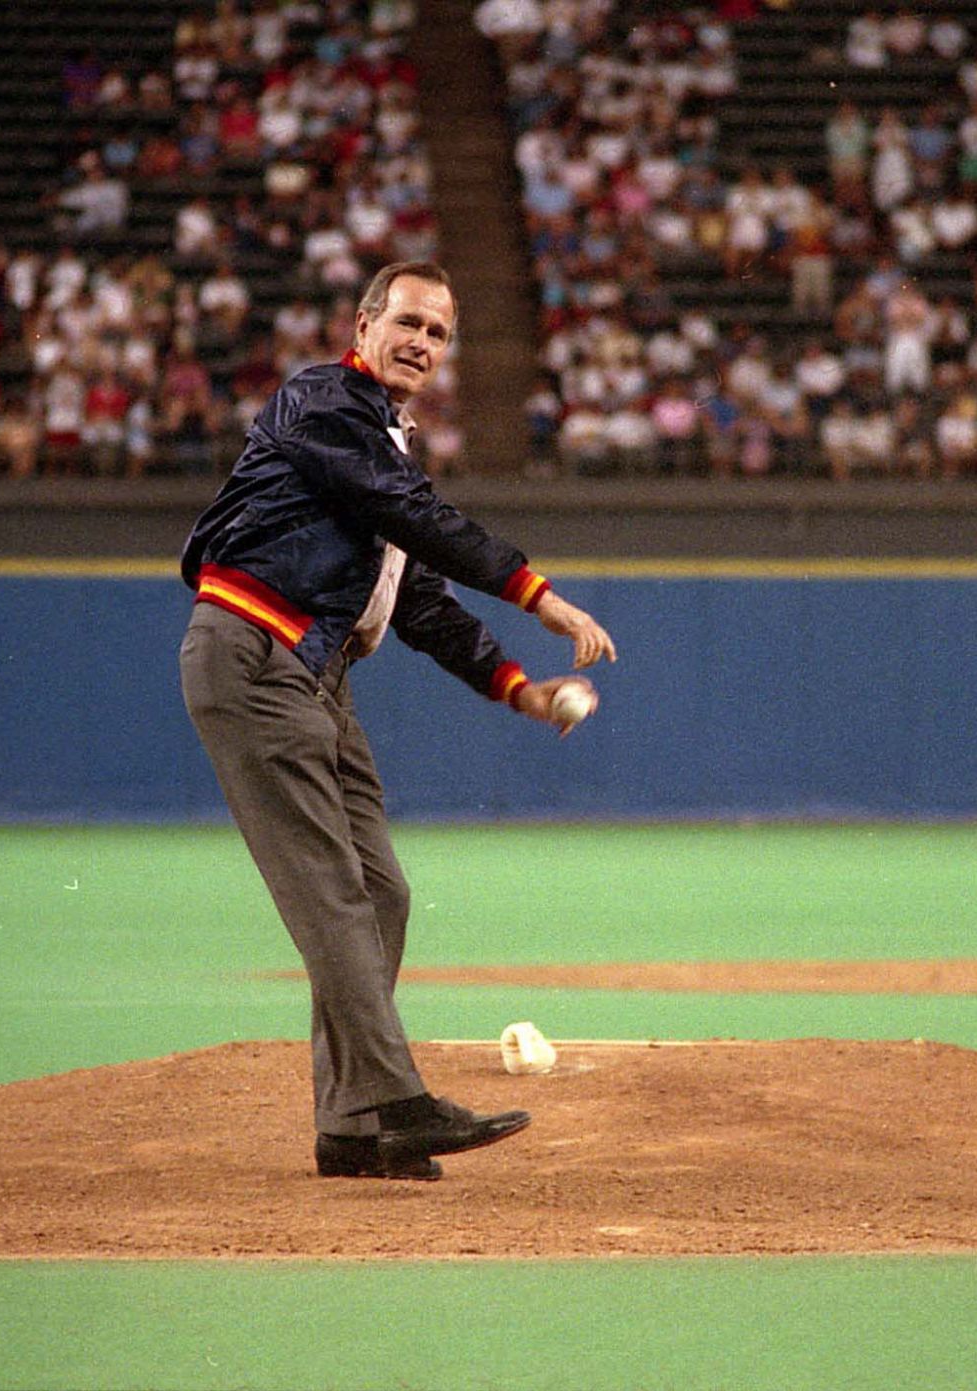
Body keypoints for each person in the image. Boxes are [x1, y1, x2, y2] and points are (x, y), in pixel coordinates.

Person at [178, 261, 617, 1182]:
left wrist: (515, 685)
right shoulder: (324, 403)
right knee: (335, 892)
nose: (421, 343)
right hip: (254, 651)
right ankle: (397, 1098)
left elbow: (414, 596)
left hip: (316, 676)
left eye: (438, 333)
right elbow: (416, 517)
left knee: (381, 893)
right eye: (408, 323)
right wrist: (538, 596)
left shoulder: (381, 447)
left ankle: (351, 1125)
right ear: (366, 322)